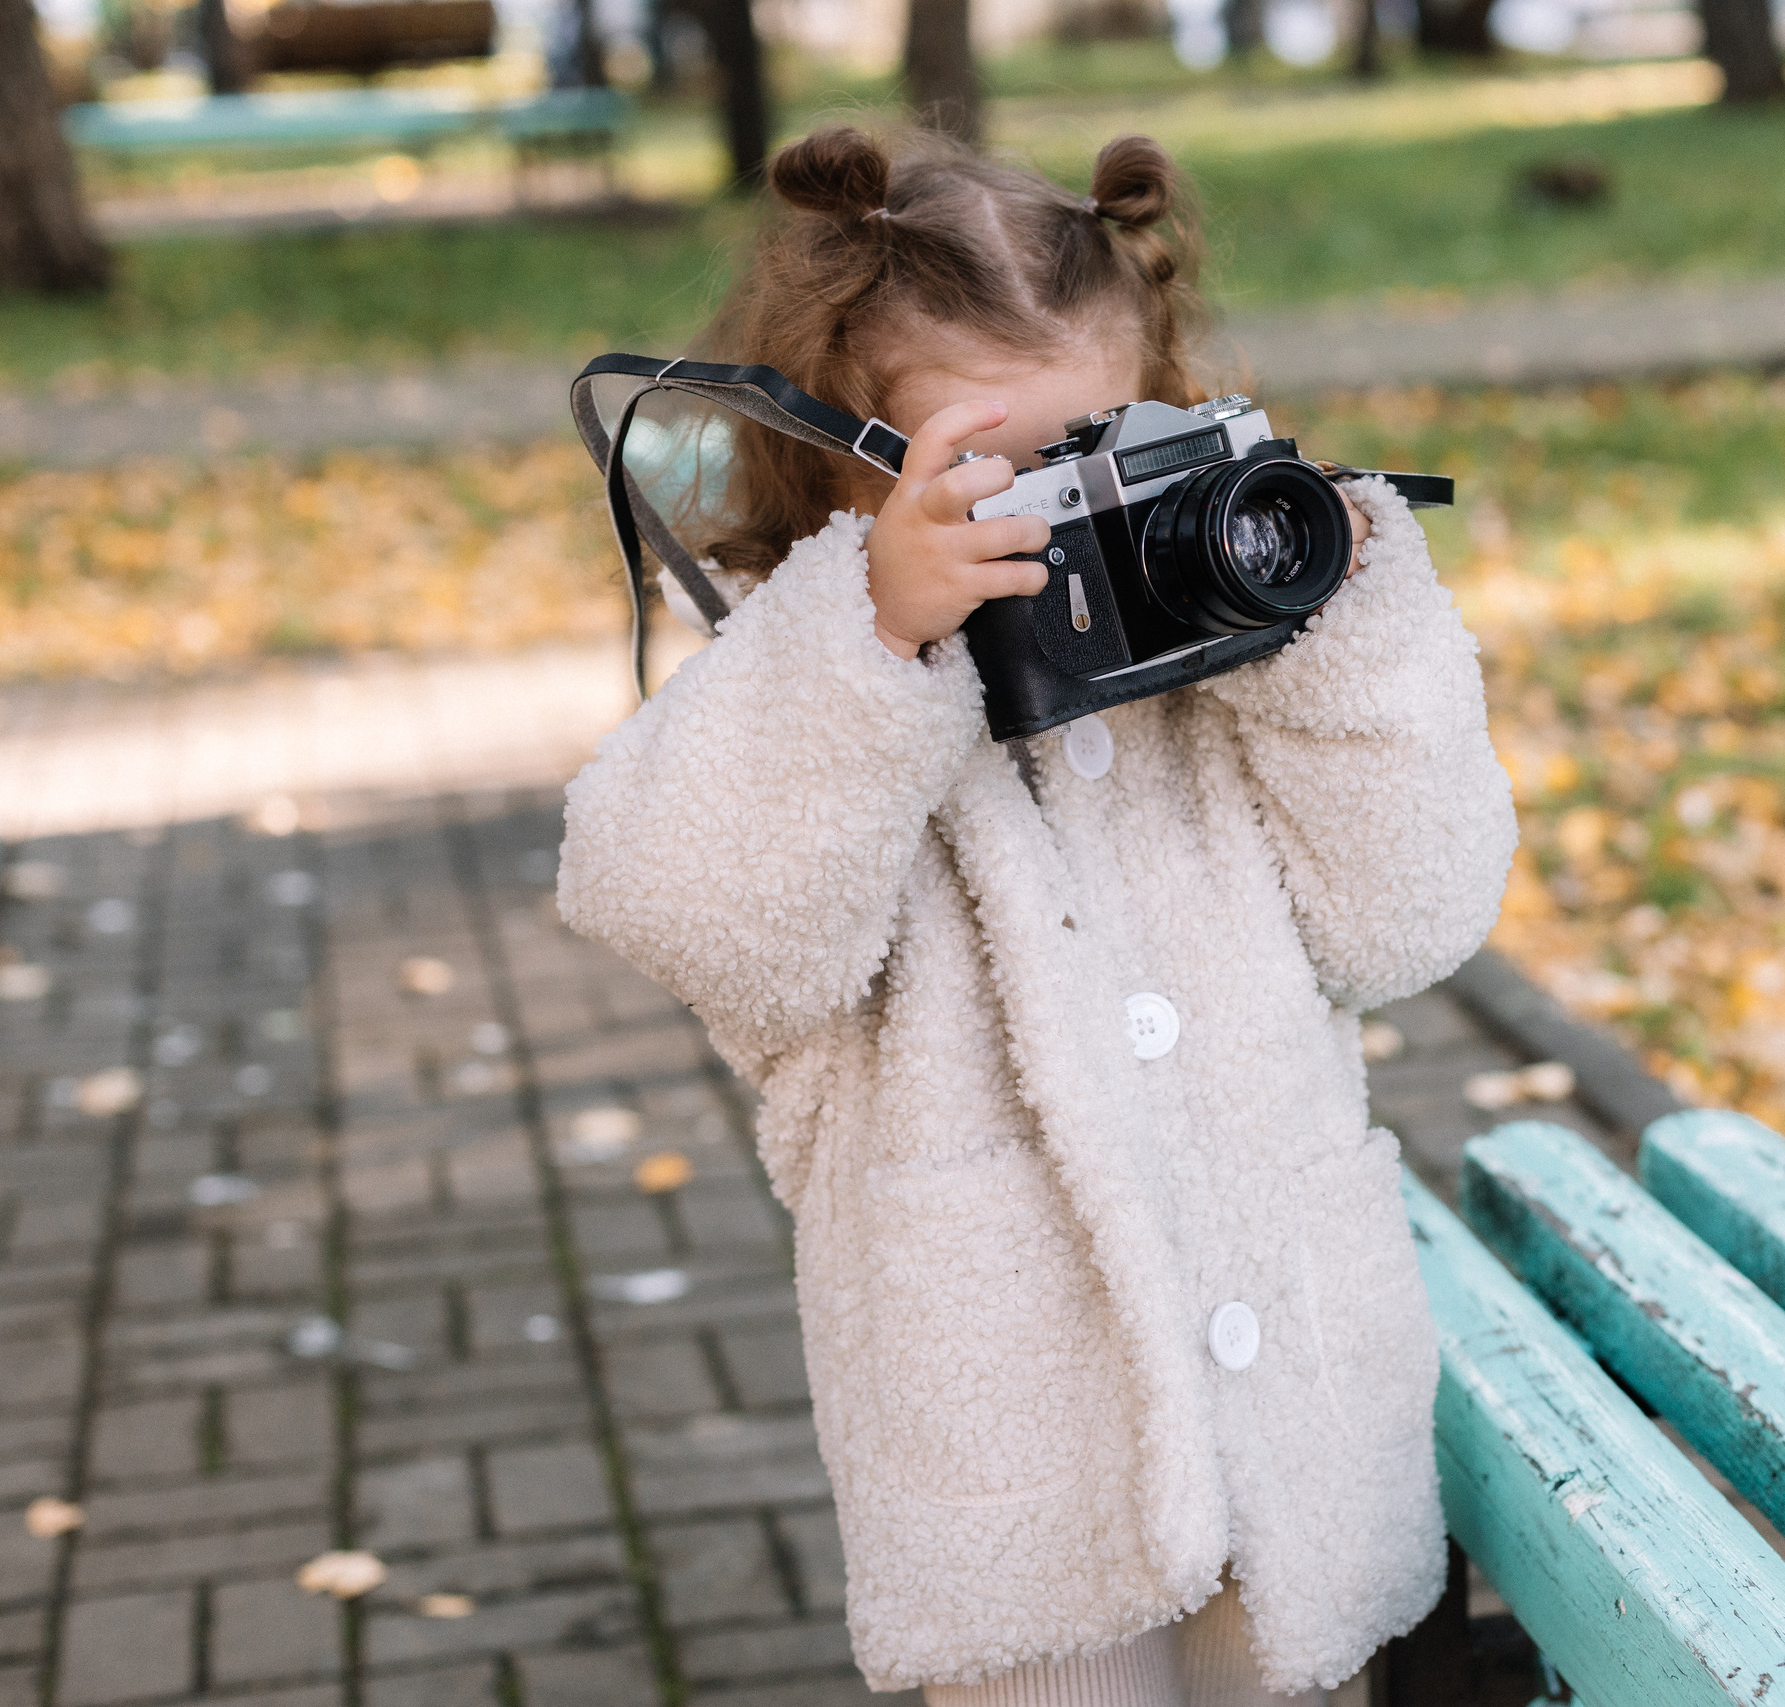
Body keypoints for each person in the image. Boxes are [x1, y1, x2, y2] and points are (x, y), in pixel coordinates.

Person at [556, 124, 1517, 1706]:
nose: (1072, 514)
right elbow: (693, 916)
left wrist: (1348, 631)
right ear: (838, 464)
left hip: (1295, 1419)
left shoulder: (1225, 693)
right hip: (1015, 1475)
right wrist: (876, 638)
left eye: (1116, 450)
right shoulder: (804, 689)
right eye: (1006, 475)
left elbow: (1408, 923)